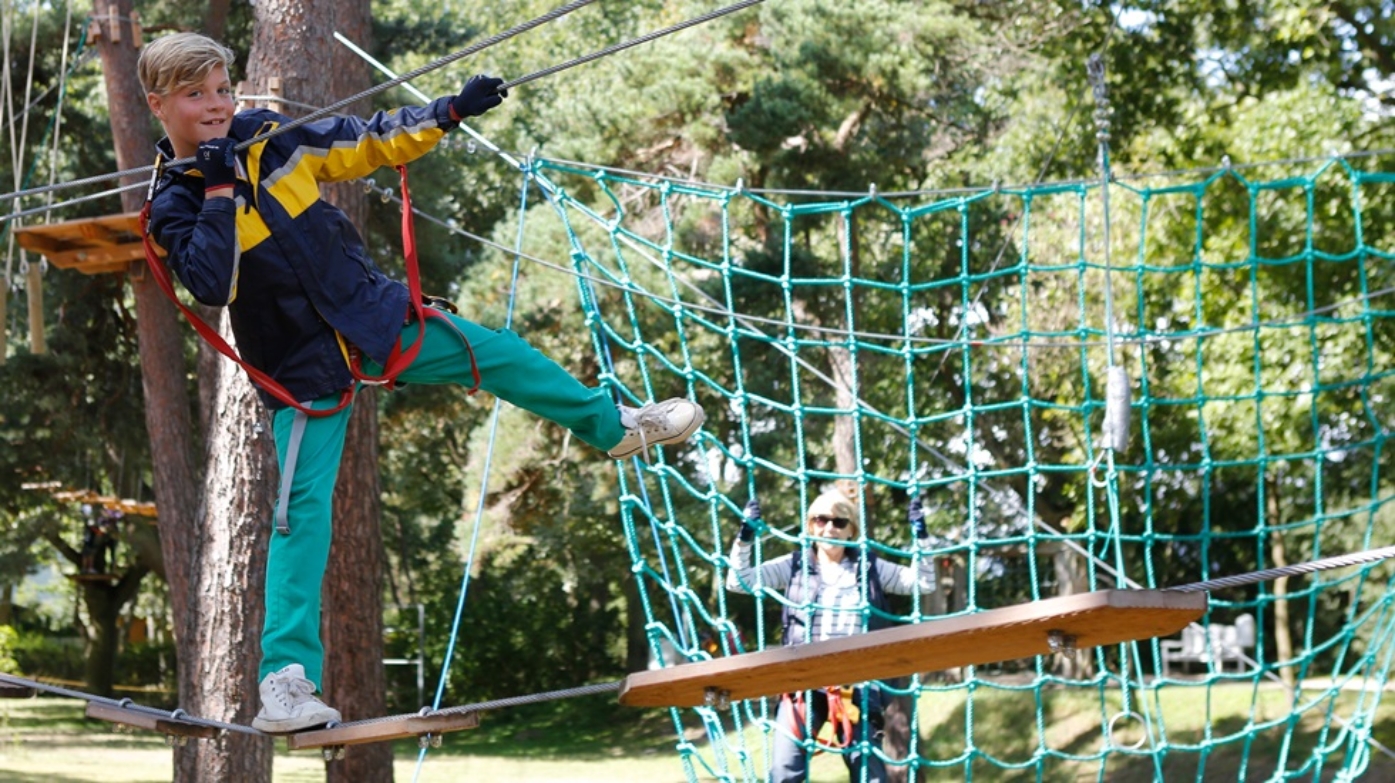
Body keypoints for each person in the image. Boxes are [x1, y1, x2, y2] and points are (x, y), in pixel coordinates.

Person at [137, 32, 705, 734]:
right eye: (197, 95)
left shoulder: (271, 141)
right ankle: (284, 683)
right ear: (159, 105)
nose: (218, 104)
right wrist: (219, 187)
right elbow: (212, 283)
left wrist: (448, 112)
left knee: (497, 353)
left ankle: (612, 427)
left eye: (223, 88)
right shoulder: (173, 206)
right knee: (298, 513)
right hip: (299, 369)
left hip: (370, 318)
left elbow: (368, 139)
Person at [726, 490, 936, 783]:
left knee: (870, 775)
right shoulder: (794, 565)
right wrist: (745, 539)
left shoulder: (870, 567)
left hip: (858, 682)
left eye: (839, 522)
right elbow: (739, 582)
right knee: (785, 769)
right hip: (805, 680)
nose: (830, 528)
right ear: (811, 526)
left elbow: (923, 583)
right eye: (822, 520)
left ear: (851, 531)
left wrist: (922, 540)